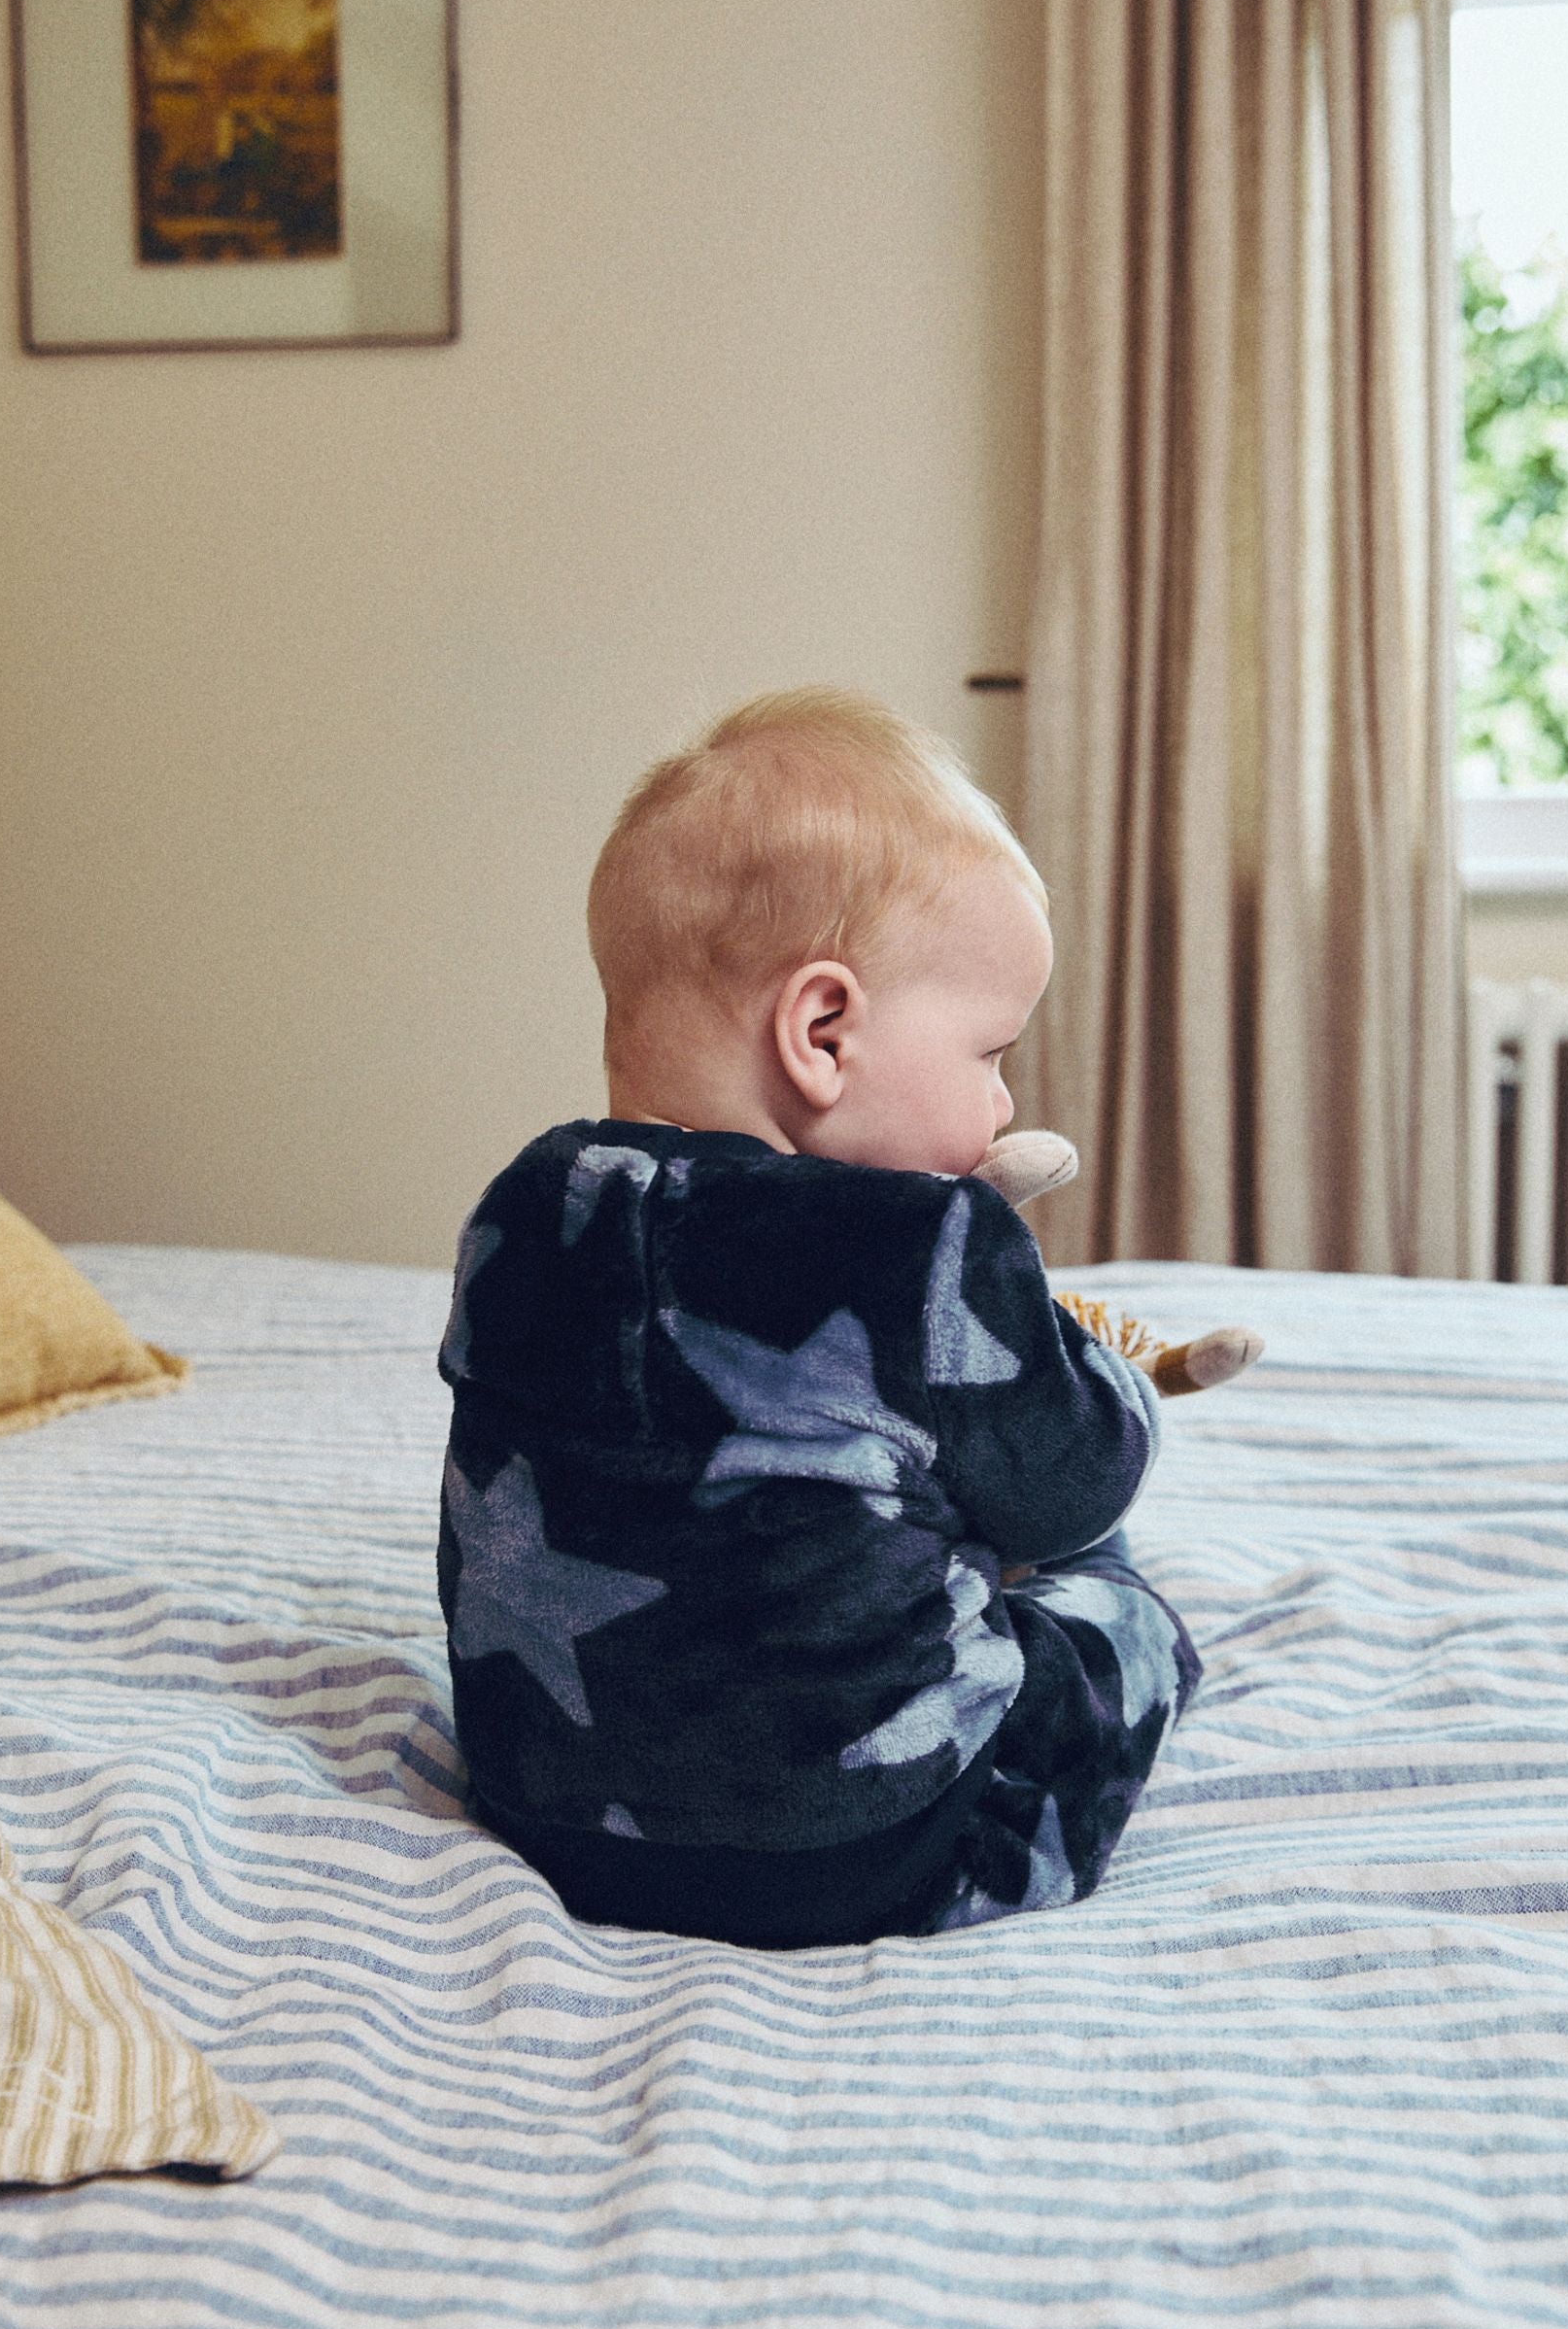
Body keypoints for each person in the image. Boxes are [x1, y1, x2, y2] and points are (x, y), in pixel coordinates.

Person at [437, 688, 1200, 1948]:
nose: (1002, 1108)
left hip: (553, 1813)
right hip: (868, 1852)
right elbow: (1081, 1481)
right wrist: (1085, 1364)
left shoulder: (517, 1211)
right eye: (990, 1054)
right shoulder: (923, 1242)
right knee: (1109, 1603)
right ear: (824, 1030)